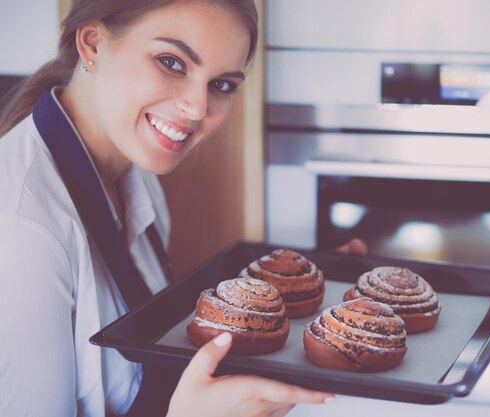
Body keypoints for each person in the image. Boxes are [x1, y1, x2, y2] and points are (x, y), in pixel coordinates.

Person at [0, 1, 341, 416]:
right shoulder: (21, 229)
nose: (198, 109)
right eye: (171, 62)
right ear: (92, 43)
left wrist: (295, 306)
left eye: (222, 85)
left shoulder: (139, 179)